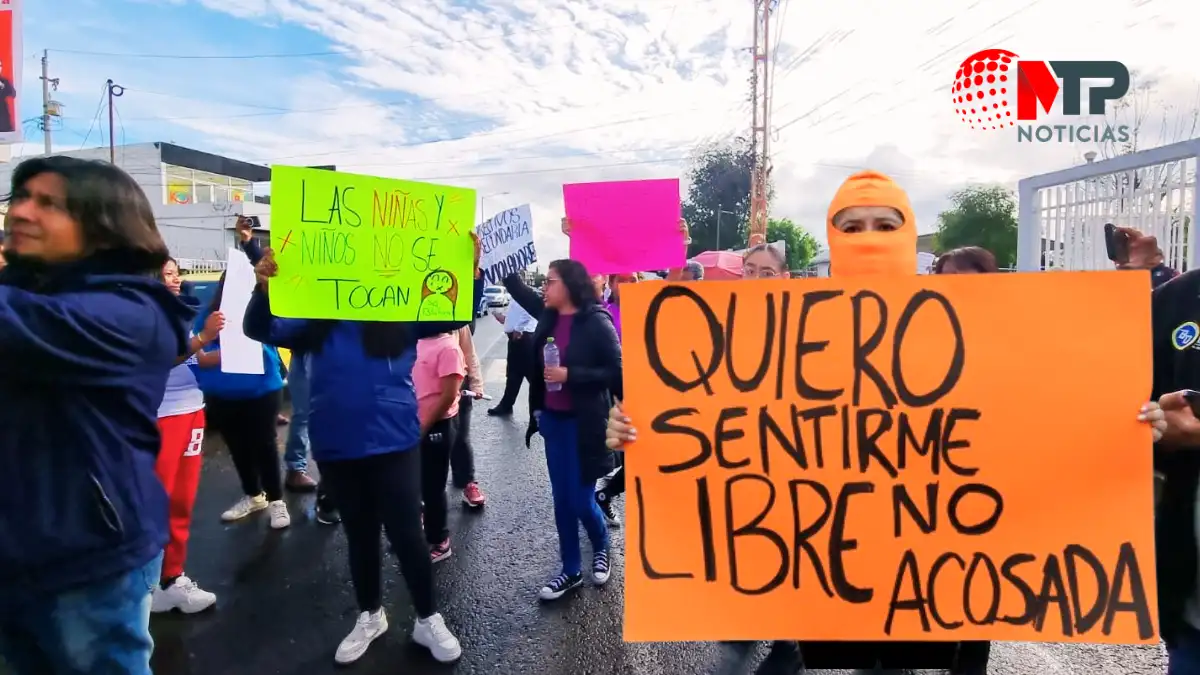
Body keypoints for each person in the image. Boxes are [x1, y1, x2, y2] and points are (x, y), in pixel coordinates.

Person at [603, 171, 1161, 675]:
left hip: (939, 575)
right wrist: (642, 433)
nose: (868, 235)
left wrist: (1122, 422)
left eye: (884, 223)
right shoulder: (803, 331)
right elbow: (731, 426)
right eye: (851, 225)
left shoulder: (961, 333)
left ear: (907, 230)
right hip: (833, 575)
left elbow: (1045, 413)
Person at [0, 156, 194, 673]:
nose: (21, 212)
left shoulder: (131, 312)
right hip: (20, 543)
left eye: (49, 204)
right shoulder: (33, 293)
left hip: (86, 551)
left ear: (103, 225)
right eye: (19, 197)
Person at [245, 249, 464, 666]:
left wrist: (464, 269)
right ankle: (370, 615)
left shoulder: (401, 316)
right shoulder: (314, 320)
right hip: (338, 447)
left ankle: (427, 618)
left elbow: (452, 312)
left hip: (395, 445)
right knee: (360, 534)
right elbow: (258, 327)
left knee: (407, 536)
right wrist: (262, 287)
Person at [502, 260, 622, 601]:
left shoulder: (596, 321)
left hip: (585, 426)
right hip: (554, 423)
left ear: (569, 285)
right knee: (561, 500)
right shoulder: (549, 315)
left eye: (550, 280)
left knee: (581, 499)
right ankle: (570, 569)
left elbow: (616, 371)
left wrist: (572, 375)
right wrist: (493, 263)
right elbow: (519, 290)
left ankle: (601, 543)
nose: (544, 286)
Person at [152, 257, 224, 615]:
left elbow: (194, 361)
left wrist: (232, 352)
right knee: (155, 503)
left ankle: (172, 578)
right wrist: (203, 338)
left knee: (182, 501)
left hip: (192, 411)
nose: (175, 279)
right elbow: (159, 359)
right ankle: (144, 584)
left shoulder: (180, 313)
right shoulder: (145, 313)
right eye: (166, 274)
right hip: (160, 417)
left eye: (176, 272)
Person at [193, 269, 291, 529]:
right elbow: (195, 355)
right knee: (237, 447)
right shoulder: (209, 315)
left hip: (262, 391)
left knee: (265, 444)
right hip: (223, 394)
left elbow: (278, 337)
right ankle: (254, 495)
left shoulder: (261, 309)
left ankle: (277, 501)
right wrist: (224, 352)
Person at [415, 327, 467, 562]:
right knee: (415, 480)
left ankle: (439, 540)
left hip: (437, 426)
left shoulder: (448, 347)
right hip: (413, 425)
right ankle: (419, 528)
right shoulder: (415, 340)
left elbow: (448, 395)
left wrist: (424, 426)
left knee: (433, 485)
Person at [451, 326, 487, 508]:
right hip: (423, 387)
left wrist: (476, 384)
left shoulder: (458, 320)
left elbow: (469, 353)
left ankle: (467, 483)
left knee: (460, 438)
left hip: (457, 386)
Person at [487, 294, 538, 417]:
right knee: (513, 374)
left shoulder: (523, 295)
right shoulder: (515, 296)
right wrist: (504, 320)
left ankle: (544, 408)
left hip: (523, 337)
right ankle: (506, 405)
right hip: (516, 339)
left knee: (531, 374)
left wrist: (519, 329)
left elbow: (528, 311)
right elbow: (516, 316)